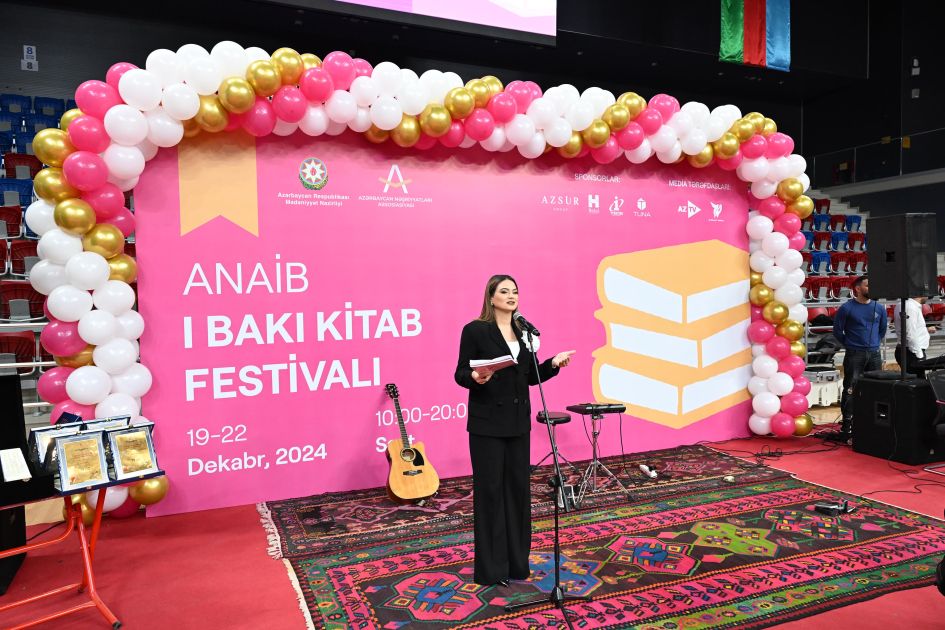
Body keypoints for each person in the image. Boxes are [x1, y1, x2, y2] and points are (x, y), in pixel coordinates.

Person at [454, 275, 575, 587]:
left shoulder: (524, 333)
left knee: (518, 492)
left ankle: (517, 564)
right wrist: (475, 377)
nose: (511, 296)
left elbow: (530, 376)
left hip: (518, 423)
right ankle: (491, 569)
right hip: (487, 426)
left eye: (515, 292)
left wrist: (553, 364)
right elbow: (460, 373)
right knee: (491, 493)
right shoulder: (475, 330)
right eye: (504, 291)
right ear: (491, 297)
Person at [833, 276, 887, 438]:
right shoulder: (847, 308)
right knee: (851, 388)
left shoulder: (879, 308)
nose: (871, 288)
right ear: (857, 288)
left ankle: (873, 422)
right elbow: (837, 331)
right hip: (854, 354)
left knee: (877, 388)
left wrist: (874, 343)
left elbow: (882, 329)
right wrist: (850, 344)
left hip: (874, 353)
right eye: (867, 285)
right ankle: (847, 425)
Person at [893, 296, 937, 377]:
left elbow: (910, 329)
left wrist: (926, 330)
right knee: (917, 381)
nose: (928, 297)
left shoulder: (908, 305)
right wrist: (919, 355)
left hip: (910, 351)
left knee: (915, 380)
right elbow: (910, 334)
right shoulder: (910, 307)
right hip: (912, 353)